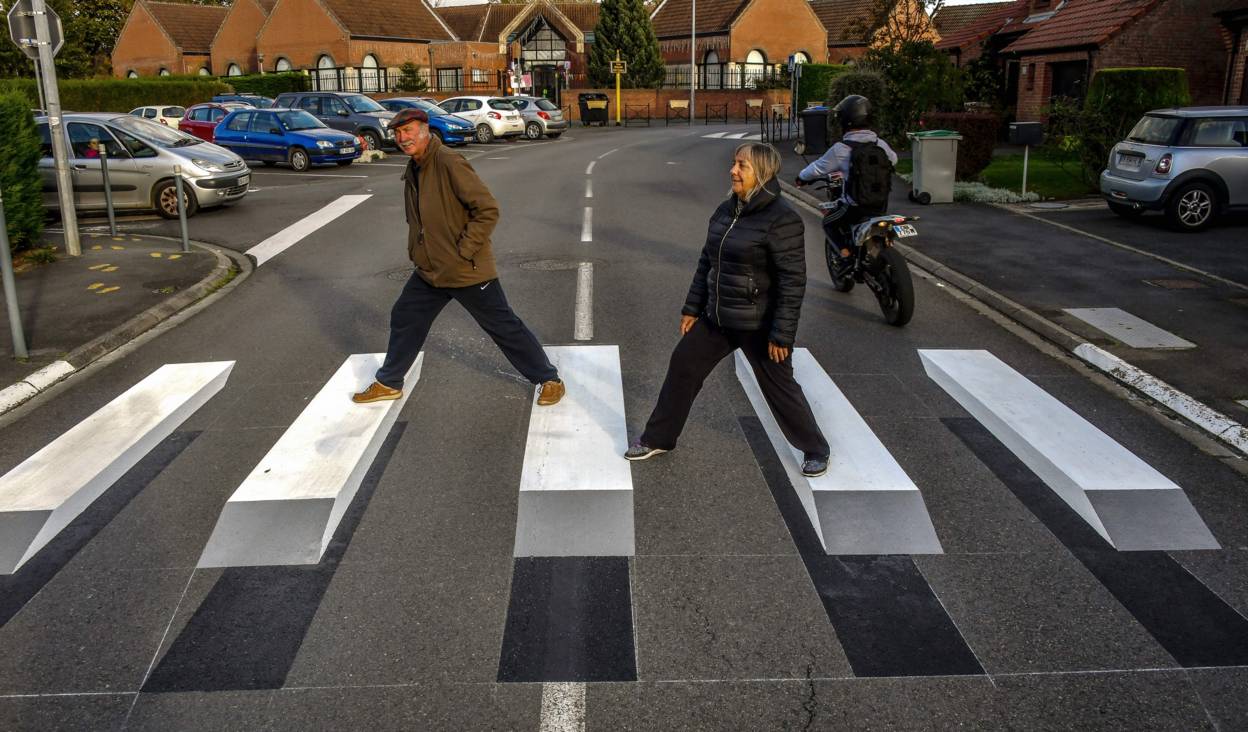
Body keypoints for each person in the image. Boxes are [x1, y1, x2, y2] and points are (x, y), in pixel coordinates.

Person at [625, 142, 830, 478]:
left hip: (759, 324)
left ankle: (815, 449)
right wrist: (692, 306)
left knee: (779, 388)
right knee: (683, 366)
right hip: (718, 317)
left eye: (742, 166)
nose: (733, 171)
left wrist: (781, 334)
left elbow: (793, 283)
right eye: (734, 164)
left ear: (762, 174)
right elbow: (708, 261)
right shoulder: (727, 210)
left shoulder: (782, 220)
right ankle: (658, 438)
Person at [352, 107, 565, 406]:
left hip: (465, 269)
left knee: (503, 326)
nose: (402, 138)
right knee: (405, 316)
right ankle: (389, 382)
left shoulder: (448, 161)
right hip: (430, 268)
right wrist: (418, 252)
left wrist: (463, 251)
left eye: (408, 131)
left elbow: (487, 209)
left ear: (425, 130)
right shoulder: (415, 166)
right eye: (398, 133)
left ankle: (548, 379)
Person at [794, 94, 898, 264]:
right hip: (880, 204)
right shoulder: (880, 144)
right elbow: (894, 160)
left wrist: (800, 178)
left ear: (845, 120)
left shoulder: (841, 149)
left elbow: (817, 168)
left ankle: (845, 255)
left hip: (855, 207)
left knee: (829, 222)